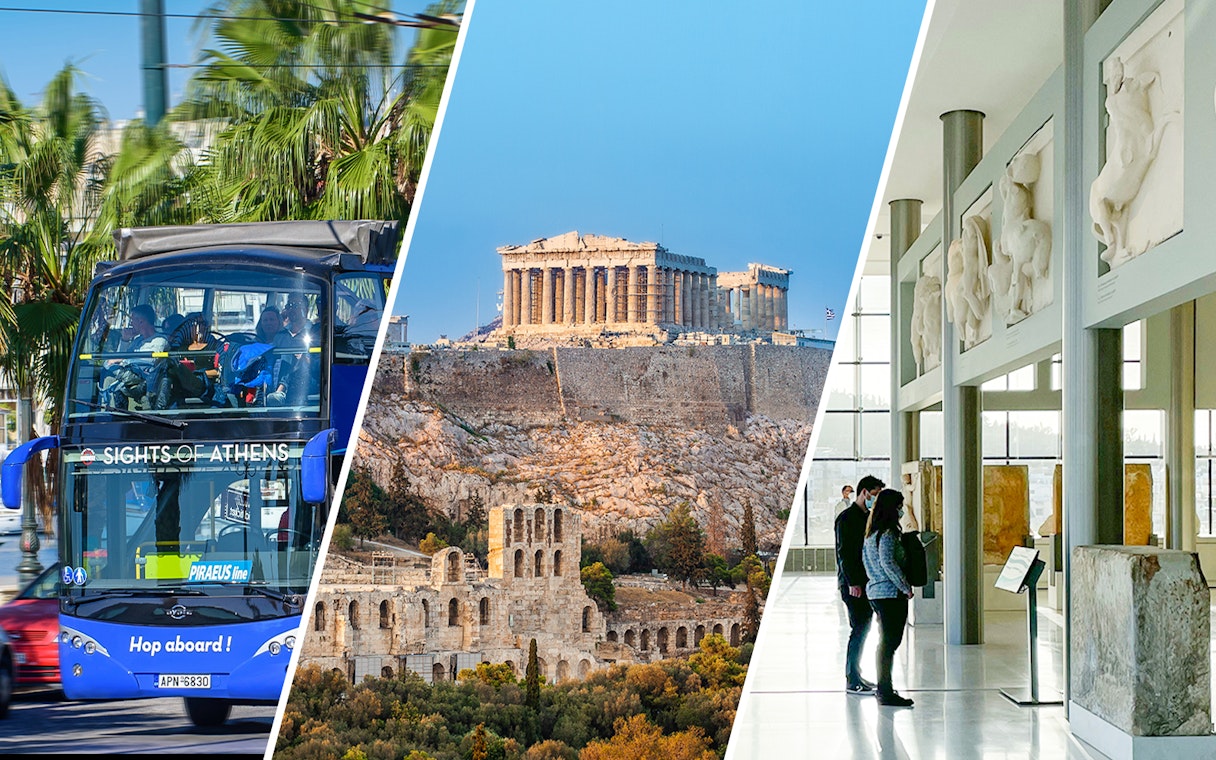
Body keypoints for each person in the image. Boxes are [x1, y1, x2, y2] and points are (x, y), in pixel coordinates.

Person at [862, 488, 915, 707]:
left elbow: (869, 563)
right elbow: (888, 563)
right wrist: (905, 586)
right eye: (900, 506)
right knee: (890, 643)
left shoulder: (870, 534)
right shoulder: (888, 534)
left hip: (875, 591)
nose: (902, 510)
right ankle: (885, 690)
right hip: (890, 594)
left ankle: (884, 687)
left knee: (885, 642)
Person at [835, 474, 884, 694]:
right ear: (864, 492)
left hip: (865, 582)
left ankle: (857, 675)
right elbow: (845, 553)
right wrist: (853, 581)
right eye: (874, 495)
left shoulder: (867, 517)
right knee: (859, 628)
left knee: (863, 627)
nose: (876, 499)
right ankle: (852, 679)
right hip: (852, 584)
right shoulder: (847, 518)